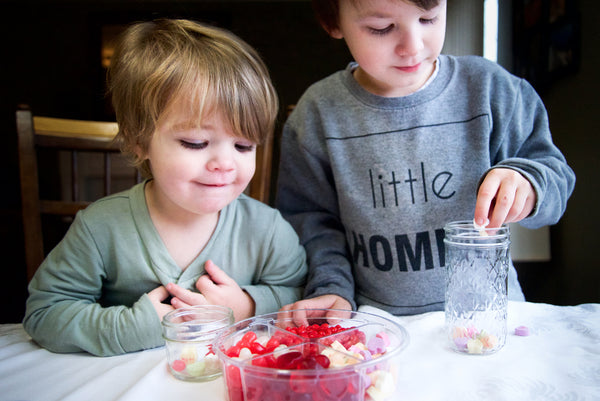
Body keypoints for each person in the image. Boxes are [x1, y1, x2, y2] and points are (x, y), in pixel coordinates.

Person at [23, 19, 307, 356]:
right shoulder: (101, 228)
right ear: (138, 141)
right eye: (196, 142)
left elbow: (300, 295)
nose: (225, 163)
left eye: (244, 146)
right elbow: (43, 314)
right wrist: (134, 326)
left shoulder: (268, 229)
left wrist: (247, 305)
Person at [277, 0, 575, 320]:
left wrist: (528, 182)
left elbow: (556, 179)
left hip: (492, 320)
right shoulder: (317, 115)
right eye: (382, 28)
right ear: (333, 21)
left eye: (428, 19)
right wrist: (331, 287)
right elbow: (311, 222)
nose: (413, 46)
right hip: (380, 328)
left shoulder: (491, 90)